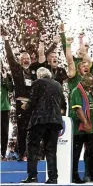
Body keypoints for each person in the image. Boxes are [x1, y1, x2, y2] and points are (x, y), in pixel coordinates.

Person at [20, 67, 65, 184]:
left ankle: (32, 176)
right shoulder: (58, 85)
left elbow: (33, 100)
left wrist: (26, 105)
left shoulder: (38, 83)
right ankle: (53, 177)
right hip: (54, 121)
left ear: (39, 75)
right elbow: (63, 104)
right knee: (51, 150)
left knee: (32, 148)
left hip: (39, 121)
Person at [2, 32, 37, 161]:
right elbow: (10, 57)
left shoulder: (33, 72)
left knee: (33, 129)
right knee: (22, 129)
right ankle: (22, 153)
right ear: (20, 61)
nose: (26, 60)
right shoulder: (17, 70)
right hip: (20, 103)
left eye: (27, 58)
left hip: (32, 104)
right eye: (23, 58)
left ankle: (33, 153)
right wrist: (6, 41)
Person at [70, 74, 93, 183]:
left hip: (91, 128)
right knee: (76, 153)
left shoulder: (90, 92)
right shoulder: (76, 91)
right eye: (88, 84)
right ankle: (74, 176)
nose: (90, 87)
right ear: (82, 81)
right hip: (79, 128)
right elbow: (78, 109)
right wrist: (86, 122)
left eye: (92, 85)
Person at [1, 61, 14, 160]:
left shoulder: (6, 75)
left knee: (4, 132)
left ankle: (3, 153)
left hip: (4, 108)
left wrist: (5, 78)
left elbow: (10, 89)